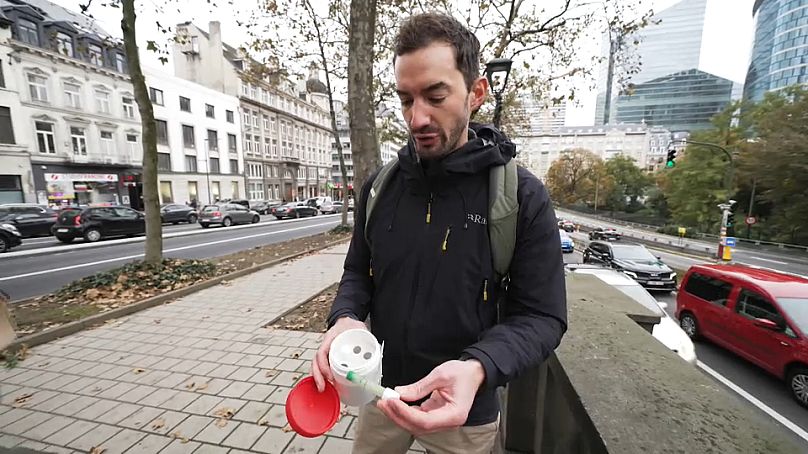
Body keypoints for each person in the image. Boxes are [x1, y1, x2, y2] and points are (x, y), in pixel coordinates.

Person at [311, 12, 567, 454]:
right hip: (381, 392)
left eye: (435, 95)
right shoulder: (381, 188)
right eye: (406, 99)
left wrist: (479, 368)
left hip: (462, 408)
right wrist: (346, 317)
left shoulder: (521, 197)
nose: (417, 118)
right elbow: (358, 271)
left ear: (476, 93)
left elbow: (543, 317)